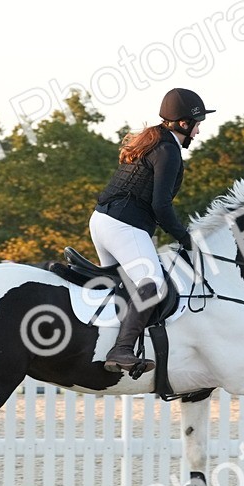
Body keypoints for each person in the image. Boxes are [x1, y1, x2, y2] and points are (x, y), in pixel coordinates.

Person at [91, 87, 213, 374]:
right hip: (124, 225)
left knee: (123, 290)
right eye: (197, 125)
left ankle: (100, 344)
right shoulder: (168, 151)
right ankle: (121, 350)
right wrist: (184, 237)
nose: (198, 132)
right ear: (184, 124)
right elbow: (161, 205)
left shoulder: (152, 139)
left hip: (101, 221)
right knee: (153, 283)